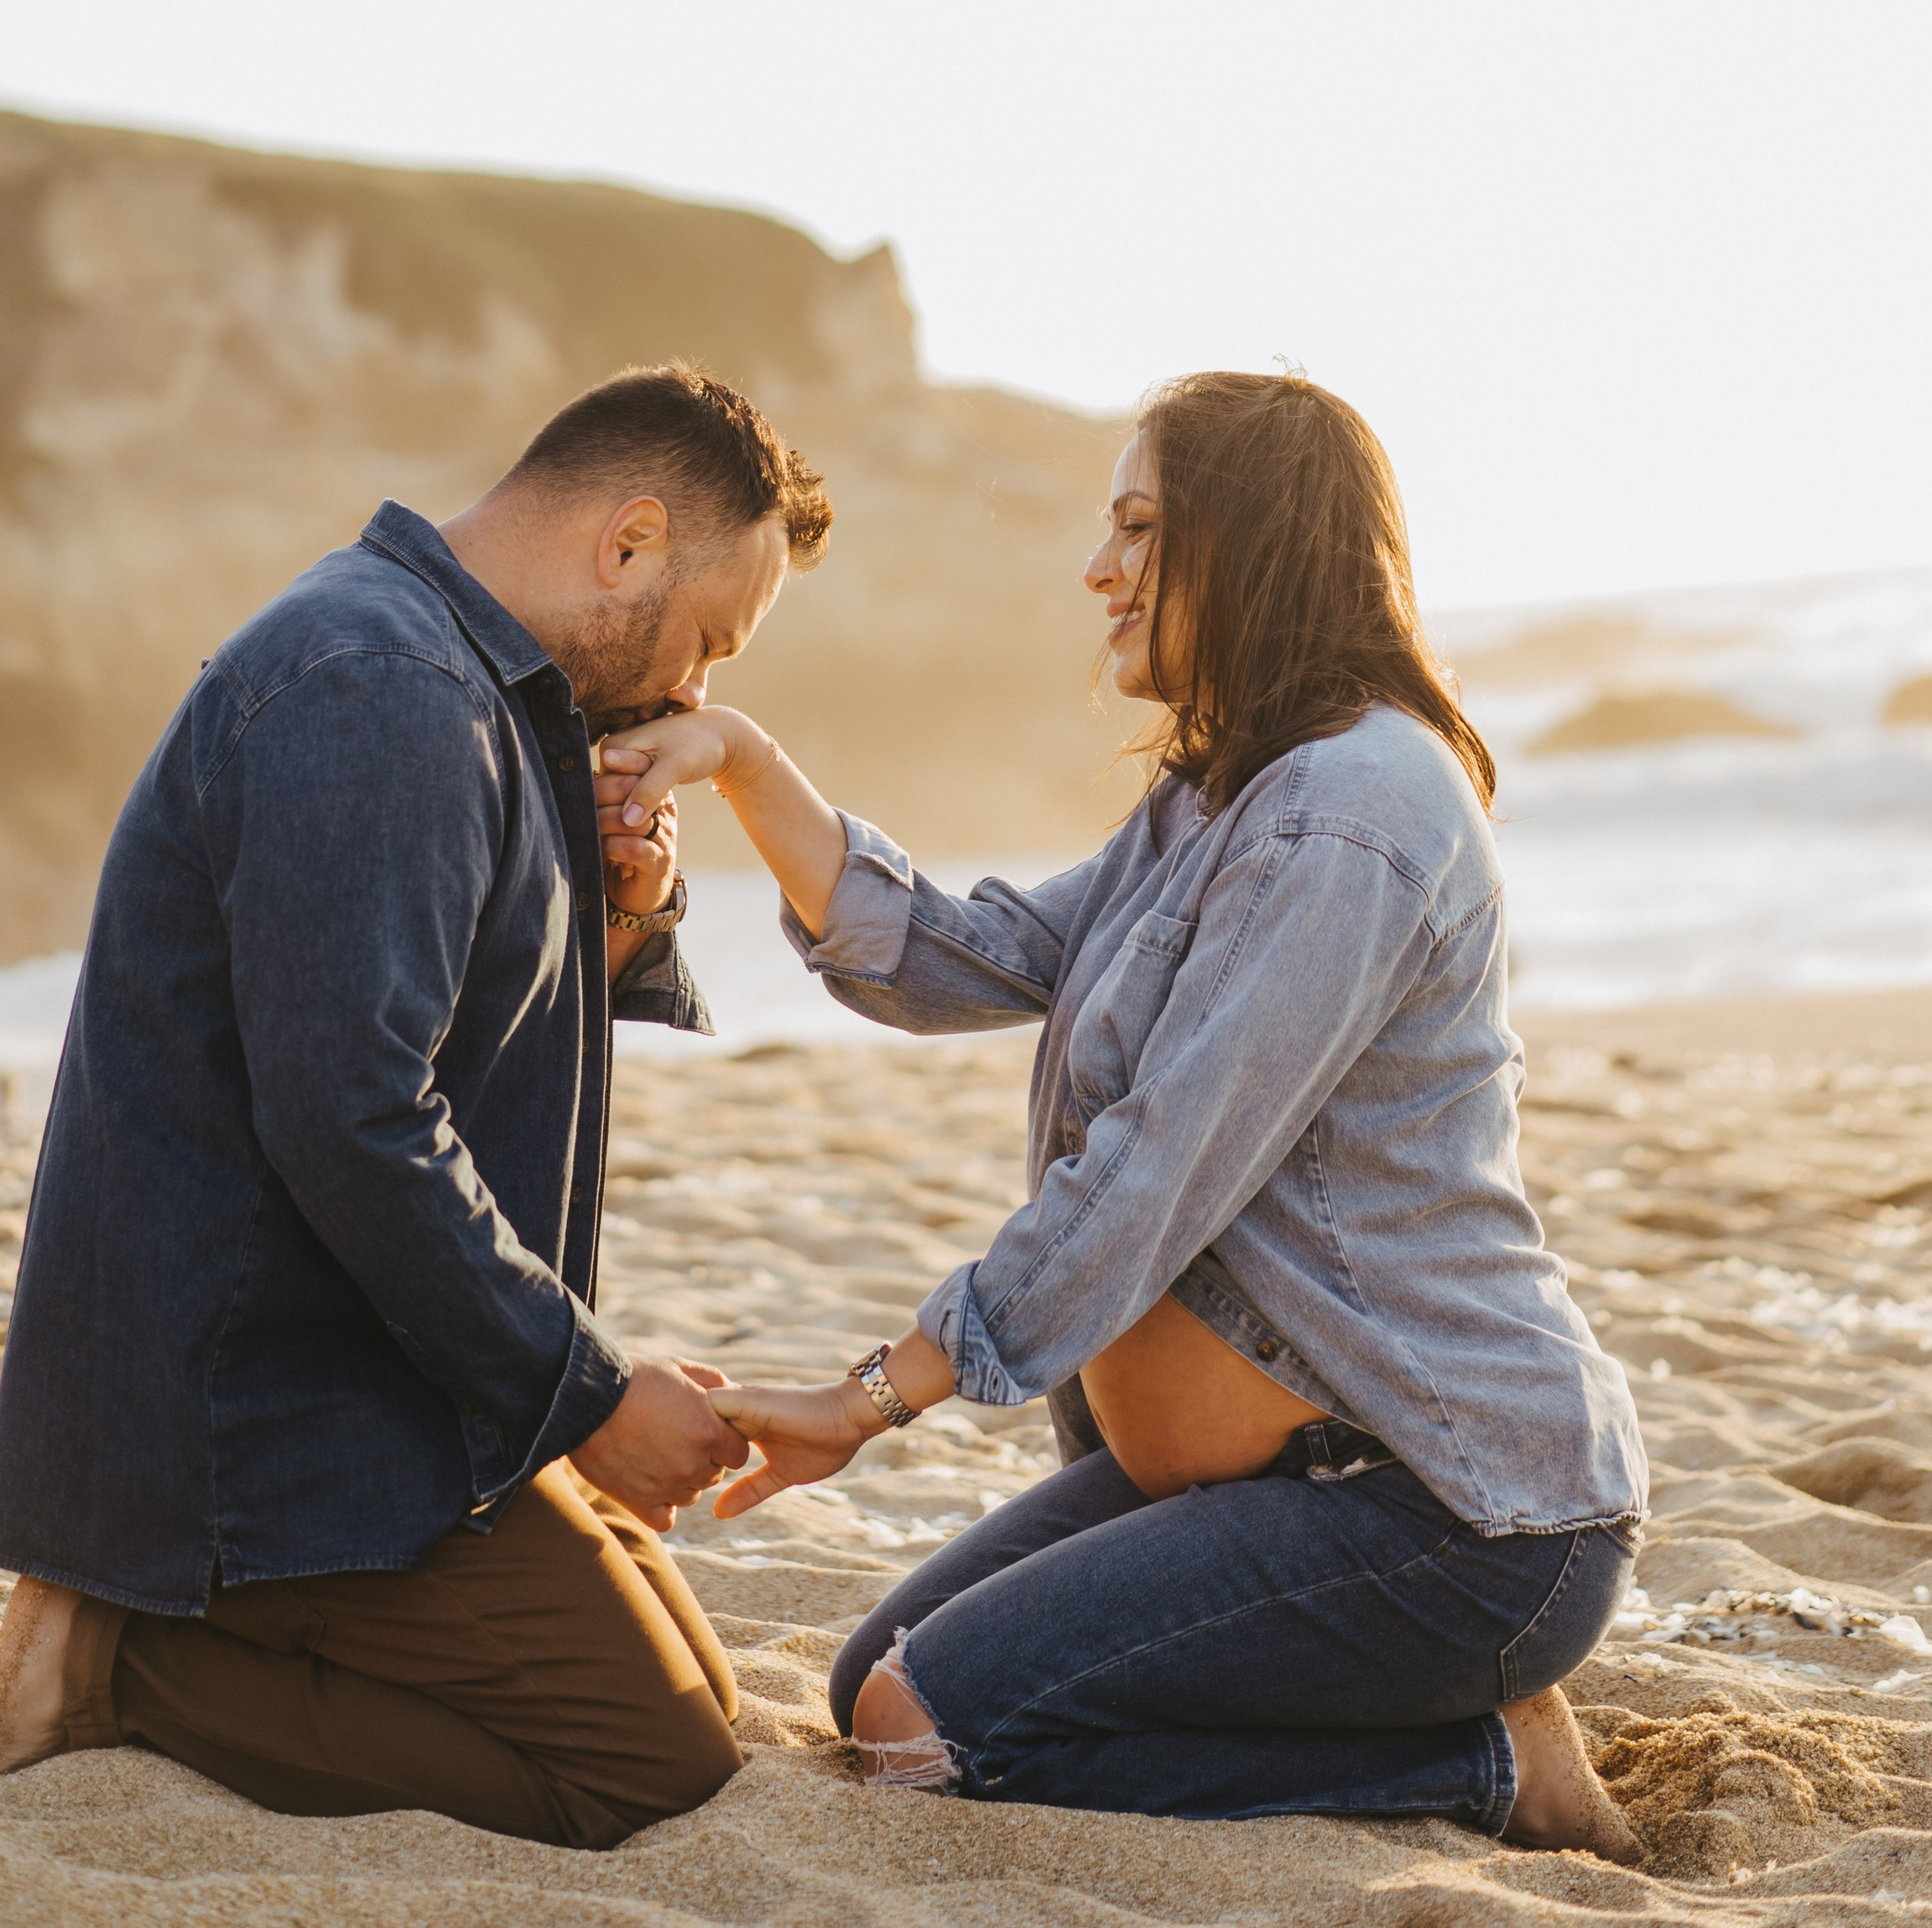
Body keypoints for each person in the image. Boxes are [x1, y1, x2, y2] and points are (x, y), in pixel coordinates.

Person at [596, 368, 1648, 1861]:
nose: (1102, 568)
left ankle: (1482, 1761)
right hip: (1278, 1479)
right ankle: (1436, 1719)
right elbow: (960, 954)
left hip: (1445, 1510)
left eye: (1143, 529)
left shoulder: (1354, 816)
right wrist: (743, 762)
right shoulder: (1222, 801)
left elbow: (1152, 1169)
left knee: (926, 1730)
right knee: (868, 1685)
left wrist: (873, 1396)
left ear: (1256, 540)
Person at [0, 362, 831, 1851]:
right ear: (628, 542)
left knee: (699, 1685)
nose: (693, 691)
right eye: (705, 639)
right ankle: (146, 1660)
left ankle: (223, 1633)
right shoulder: (379, 686)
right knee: (655, 1764)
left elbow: (476, 1050)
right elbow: (356, 1116)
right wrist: (589, 1394)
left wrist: (631, 905)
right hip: (255, 1417)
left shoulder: (461, 682)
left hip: (364, 1361)